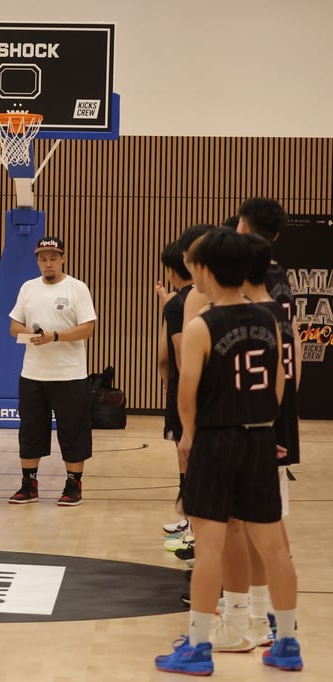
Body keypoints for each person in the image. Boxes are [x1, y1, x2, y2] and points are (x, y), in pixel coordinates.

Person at [155, 227, 302, 675]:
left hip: (216, 439)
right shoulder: (269, 318)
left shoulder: (202, 324)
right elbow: (279, 386)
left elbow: (187, 393)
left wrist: (189, 438)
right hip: (261, 438)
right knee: (274, 546)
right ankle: (289, 643)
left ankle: (198, 648)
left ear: (206, 270)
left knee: (211, 546)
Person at [7, 236, 97, 506]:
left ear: (63, 258)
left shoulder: (77, 289)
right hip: (33, 374)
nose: (48, 263)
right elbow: (13, 326)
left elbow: (88, 328)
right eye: (43, 259)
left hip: (69, 374)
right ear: (37, 261)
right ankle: (29, 483)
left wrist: (54, 336)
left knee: (73, 430)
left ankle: (73, 484)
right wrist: (30, 333)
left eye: (53, 258)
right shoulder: (28, 288)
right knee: (31, 429)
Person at [157, 240, 194, 535]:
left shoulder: (178, 303)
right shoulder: (207, 296)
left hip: (186, 389)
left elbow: (168, 357)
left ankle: (191, 525)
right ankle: (192, 523)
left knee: (186, 453)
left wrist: (174, 387)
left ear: (170, 270)